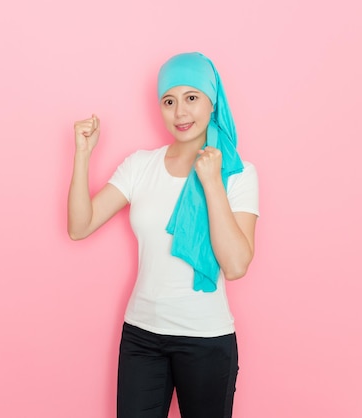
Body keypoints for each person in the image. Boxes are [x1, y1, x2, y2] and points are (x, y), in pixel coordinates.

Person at [67, 52, 259, 418]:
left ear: (212, 100)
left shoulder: (238, 173)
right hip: (142, 336)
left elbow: (235, 265)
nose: (180, 112)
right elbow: (80, 226)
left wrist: (212, 183)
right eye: (169, 101)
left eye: (192, 97)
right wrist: (82, 155)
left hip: (206, 339)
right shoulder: (141, 165)